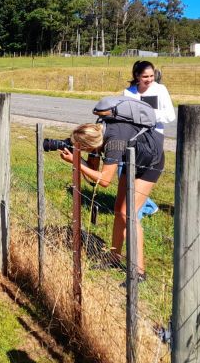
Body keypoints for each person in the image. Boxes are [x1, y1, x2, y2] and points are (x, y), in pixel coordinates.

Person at [58, 115, 164, 279]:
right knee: (118, 210)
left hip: (150, 164)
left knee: (130, 214)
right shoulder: (101, 134)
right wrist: (76, 157)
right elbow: (94, 171)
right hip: (132, 160)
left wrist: (76, 162)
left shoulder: (113, 142)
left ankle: (139, 272)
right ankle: (114, 258)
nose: (82, 151)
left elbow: (105, 180)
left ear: (89, 145)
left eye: (82, 148)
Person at [123, 60, 175, 216]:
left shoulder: (160, 90)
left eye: (152, 76)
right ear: (137, 76)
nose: (150, 79)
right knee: (127, 177)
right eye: (145, 76)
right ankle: (147, 205)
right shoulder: (128, 93)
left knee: (143, 174)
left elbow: (170, 115)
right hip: (133, 138)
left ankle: (138, 212)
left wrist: (149, 114)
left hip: (153, 139)